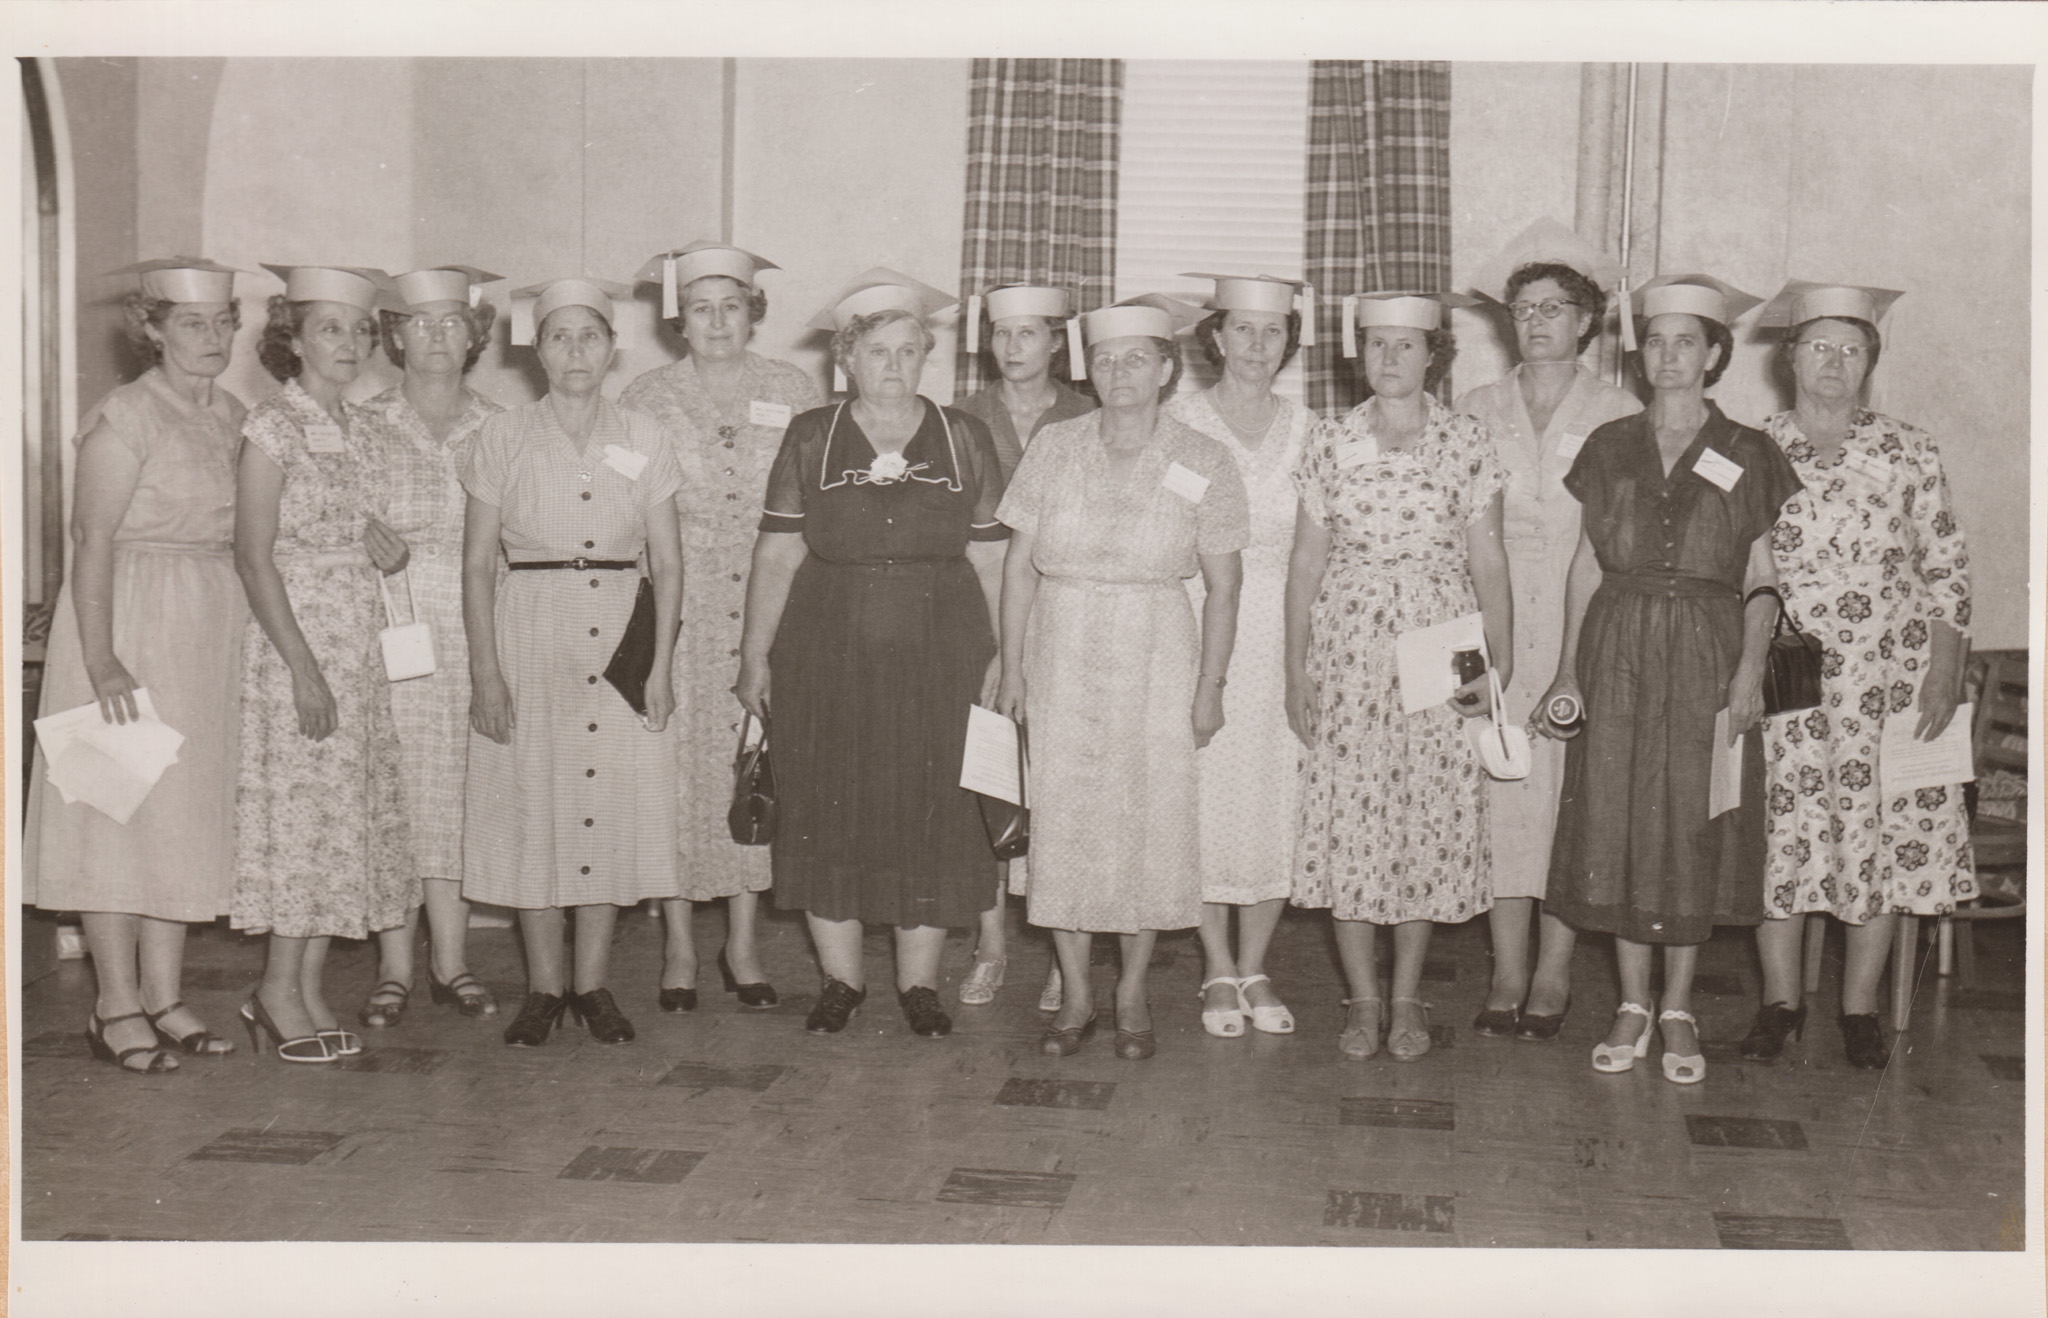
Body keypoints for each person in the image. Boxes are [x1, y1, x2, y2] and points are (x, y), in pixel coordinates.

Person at [1538, 275, 1798, 1085]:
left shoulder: (1748, 451)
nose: (1669, 356)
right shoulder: (1609, 444)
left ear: (1715, 354)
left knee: (1692, 821)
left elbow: (1762, 577)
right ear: (1640, 353)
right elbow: (1586, 565)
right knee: (1616, 815)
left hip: (1707, 654)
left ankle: (1678, 1007)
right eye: (1655, 341)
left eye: (1687, 341)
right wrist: (1566, 671)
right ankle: (1631, 1004)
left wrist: (1750, 673)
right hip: (1618, 645)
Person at [735, 269, 1007, 1041]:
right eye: (878, 351)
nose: (894, 364)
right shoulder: (811, 436)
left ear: (926, 357)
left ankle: (919, 985)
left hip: (942, 647)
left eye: (909, 350)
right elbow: (778, 553)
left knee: (932, 806)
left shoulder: (963, 436)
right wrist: (755, 655)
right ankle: (841, 982)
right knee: (829, 803)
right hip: (827, 645)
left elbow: (992, 558)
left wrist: (1006, 655)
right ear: (847, 358)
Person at [995, 294, 1249, 1061]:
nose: (1120, 372)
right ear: (1088, 368)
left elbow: (1225, 586)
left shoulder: (1203, 458)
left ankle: (1132, 991)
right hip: (1062, 650)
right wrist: (1013, 667)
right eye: (1106, 359)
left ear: (1168, 369)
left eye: (1138, 358)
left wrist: (1210, 687)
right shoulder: (1055, 446)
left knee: (1148, 825)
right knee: (1064, 822)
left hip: (1157, 655)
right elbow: (1018, 567)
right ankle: (1075, 993)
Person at [26, 258, 251, 1072]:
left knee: (178, 817)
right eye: (193, 323)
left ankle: (165, 996)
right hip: (125, 624)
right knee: (114, 812)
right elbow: (91, 540)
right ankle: (115, 1004)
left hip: (207, 627)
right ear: (153, 329)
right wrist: (101, 661)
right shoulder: (125, 417)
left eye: (224, 321)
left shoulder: (232, 414)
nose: (213, 337)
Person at [1746, 280, 1974, 1069]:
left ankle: (1860, 1009)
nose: (1835, 363)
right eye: (1820, 348)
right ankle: (1780, 1004)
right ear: (1789, 359)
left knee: (1879, 837)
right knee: (1783, 833)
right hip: (1786, 682)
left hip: (1890, 681)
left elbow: (1948, 569)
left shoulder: (1909, 449)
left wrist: (1944, 671)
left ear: (1870, 362)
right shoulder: (1752, 448)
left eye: (1852, 350)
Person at [1286, 290, 1512, 1064]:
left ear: (1432, 355)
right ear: (1359, 351)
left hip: (1437, 638)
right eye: (1376, 343)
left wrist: (1498, 662)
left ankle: (1408, 995)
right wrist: (1294, 668)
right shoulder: (1330, 440)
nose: (1388, 358)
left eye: (1405, 345)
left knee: (1422, 817)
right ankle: (1362, 998)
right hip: (1349, 646)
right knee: (1351, 819)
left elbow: (1489, 561)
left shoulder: (1465, 439)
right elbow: (1305, 563)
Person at [461, 278, 684, 1048]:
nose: (575, 351)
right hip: (532, 630)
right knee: (535, 804)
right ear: (536, 348)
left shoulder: (645, 434)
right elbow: (477, 565)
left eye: (590, 335)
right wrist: (487, 672)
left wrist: (660, 667)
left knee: (607, 805)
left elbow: (669, 562)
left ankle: (592, 985)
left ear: (613, 346)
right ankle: (544, 989)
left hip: (622, 631)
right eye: (559, 336)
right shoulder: (502, 436)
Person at [1455, 220, 1642, 1041]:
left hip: (1582, 622)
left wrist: (1581, 660)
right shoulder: (1473, 409)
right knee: (1500, 789)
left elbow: (1617, 540)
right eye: (1524, 309)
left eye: (1555, 308)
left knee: (1569, 799)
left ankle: (1555, 971)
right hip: (1490, 618)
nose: (1537, 323)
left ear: (1587, 320)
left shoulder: (1619, 411)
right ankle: (1506, 970)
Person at [622, 242, 818, 1014]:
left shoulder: (792, 390)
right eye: (700, 309)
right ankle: (677, 943)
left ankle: (741, 943)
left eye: (730, 306)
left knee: (753, 769)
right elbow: (623, 504)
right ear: (679, 320)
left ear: (752, 312)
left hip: (772, 600)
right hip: (681, 601)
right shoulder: (646, 397)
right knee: (675, 772)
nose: (716, 322)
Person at [232, 264, 416, 1063]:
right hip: (296, 646)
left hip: (358, 644)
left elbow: (354, 526)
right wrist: (304, 669)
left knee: (341, 823)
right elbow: (253, 556)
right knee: (303, 822)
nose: (350, 343)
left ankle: (304, 989)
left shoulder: (366, 428)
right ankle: (275, 988)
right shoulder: (271, 426)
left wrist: (386, 548)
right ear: (295, 340)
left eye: (361, 329)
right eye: (330, 328)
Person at [354, 265, 507, 1028]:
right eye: (421, 322)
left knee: (460, 791)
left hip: (482, 623)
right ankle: (394, 966)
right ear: (396, 336)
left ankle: (452, 960)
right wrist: (361, 536)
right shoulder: (364, 423)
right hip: (394, 623)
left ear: (475, 334)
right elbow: (320, 515)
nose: (439, 336)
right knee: (400, 789)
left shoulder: (502, 425)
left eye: (454, 321)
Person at [1168, 273, 1317, 1038]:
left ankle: (1256, 964)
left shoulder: (1313, 430)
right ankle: (1216, 964)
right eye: (1244, 330)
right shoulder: (1179, 423)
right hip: (1199, 624)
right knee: (1198, 794)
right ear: (1217, 338)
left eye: (1274, 331)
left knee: (1277, 798)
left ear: (1289, 341)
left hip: (1287, 630)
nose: (1259, 345)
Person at [950, 283, 1096, 1009]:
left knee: (1061, 785)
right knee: (989, 778)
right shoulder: (959, 417)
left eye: (1029, 333)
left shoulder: (1087, 414)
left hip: (1065, 612)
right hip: (976, 612)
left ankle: (1064, 955)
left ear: (1057, 343)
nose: (1013, 347)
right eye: (1002, 333)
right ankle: (992, 945)